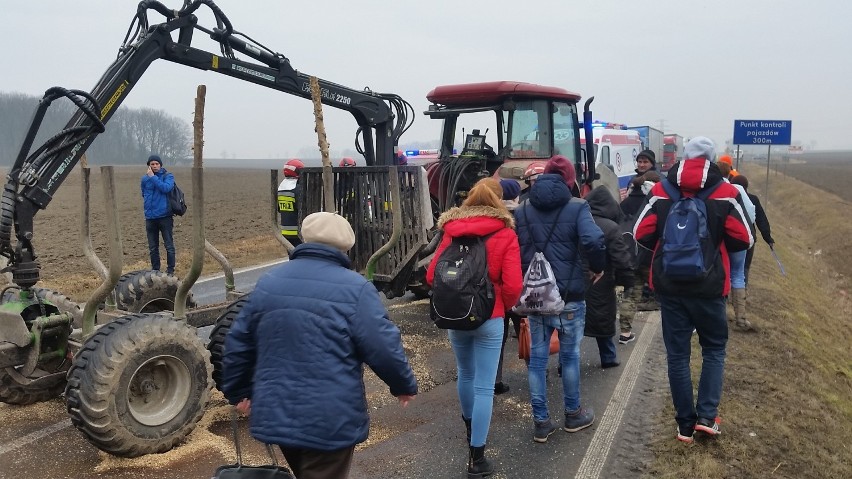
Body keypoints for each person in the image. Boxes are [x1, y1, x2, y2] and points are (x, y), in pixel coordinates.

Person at [221, 212, 417, 479]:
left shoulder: (269, 283)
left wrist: (239, 392)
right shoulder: (356, 289)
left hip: (278, 412)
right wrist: (403, 385)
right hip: (329, 420)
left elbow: (238, 342)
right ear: (346, 247)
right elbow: (383, 345)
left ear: (305, 238)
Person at [633, 136, 753, 444]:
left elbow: (639, 233)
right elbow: (744, 239)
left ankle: (684, 425)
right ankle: (707, 418)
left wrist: (667, 247)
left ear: (684, 157)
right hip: (711, 286)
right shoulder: (726, 192)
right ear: (713, 159)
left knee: (677, 355)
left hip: (670, 286)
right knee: (714, 349)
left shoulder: (662, 189)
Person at [426, 178, 522, 477]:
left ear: (468, 200)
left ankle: (470, 429)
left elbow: (432, 276)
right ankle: (477, 459)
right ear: (499, 201)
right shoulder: (505, 234)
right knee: (484, 386)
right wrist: (501, 307)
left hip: (456, 314)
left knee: (465, 375)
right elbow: (514, 285)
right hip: (489, 317)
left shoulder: (450, 232)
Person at [514, 155, 606, 443]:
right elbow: (592, 240)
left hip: (536, 295)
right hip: (569, 295)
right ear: (570, 180)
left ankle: (541, 422)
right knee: (569, 357)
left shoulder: (523, 209)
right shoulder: (578, 207)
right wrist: (598, 266)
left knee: (537, 361)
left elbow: (516, 248)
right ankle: (573, 414)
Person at [583, 186, 635, 368]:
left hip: (577, 279)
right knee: (603, 320)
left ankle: (565, 363)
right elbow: (621, 258)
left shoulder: (578, 221)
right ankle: (608, 357)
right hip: (602, 282)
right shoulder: (611, 228)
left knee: (572, 327)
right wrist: (628, 281)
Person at [618, 170, 663, 344]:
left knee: (631, 294)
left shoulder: (625, 203)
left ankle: (625, 332)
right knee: (665, 294)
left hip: (630, 255)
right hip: (650, 256)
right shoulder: (653, 204)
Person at [717, 162, 756, 331]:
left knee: (720, 274)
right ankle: (741, 318)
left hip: (720, 240)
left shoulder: (711, 190)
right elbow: (751, 212)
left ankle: (721, 316)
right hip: (739, 239)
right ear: (729, 173)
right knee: (738, 274)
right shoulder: (738, 190)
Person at [493, 178, 523, 395]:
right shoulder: (524, 216)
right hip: (520, 283)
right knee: (527, 331)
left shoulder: (494, 219)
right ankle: (537, 372)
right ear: (516, 196)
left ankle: (496, 379)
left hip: (497, 287)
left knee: (498, 339)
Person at [730, 174, 775, 285]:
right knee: (744, 268)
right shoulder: (753, 199)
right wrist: (768, 238)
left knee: (729, 266)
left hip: (731, 237)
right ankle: (742, 294)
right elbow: (761, 219)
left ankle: (727, 294)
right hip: (749, 238)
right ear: (746, 186)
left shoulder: (729, 197)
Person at [140, 154, 176, 275]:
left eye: (157, 164)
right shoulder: (144, 179)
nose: (155, 166)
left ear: (160, 165)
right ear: (149, 166)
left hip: (165, 216)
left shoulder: (168, 176)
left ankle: (170, 270)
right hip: (150, 218)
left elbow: (166, 188)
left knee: (169, 246)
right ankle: (155, 270)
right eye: (152, 164)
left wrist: (153, 177)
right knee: (153, 248)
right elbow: (143, 194)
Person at [278, 159, 304, 248]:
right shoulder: (297, 189)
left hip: (285, 231)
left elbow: (279, 209)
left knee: (292, 255)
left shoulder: (281, 188)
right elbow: (302, 208)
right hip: (298, 231)